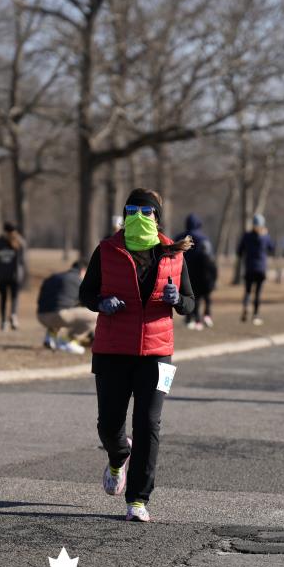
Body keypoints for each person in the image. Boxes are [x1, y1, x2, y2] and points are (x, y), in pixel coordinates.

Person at [79, 188, 195, 522]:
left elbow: (190, 302)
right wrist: (102, 303)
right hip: (112, 350)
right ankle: (118, 456)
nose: (139, 217)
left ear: (157, 218)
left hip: (157, 354)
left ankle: (138, 500)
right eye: (132, 211)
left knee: (148, 423)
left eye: (146, 212)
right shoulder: (107, 251)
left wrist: (177, 300)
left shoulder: (173, 254)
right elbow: (86, 293)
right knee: (109, 424)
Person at [36, 260, 96, 354]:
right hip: (59, 315)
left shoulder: (53, 277)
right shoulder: (77, 279)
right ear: (83, 270)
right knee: (95, 315)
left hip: (41, 315)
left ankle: (50, 337)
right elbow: (87, 303)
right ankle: (69, 341)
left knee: (60, 306)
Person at [176, 213, 218, 330]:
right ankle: (205, 315)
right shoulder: (204, 239)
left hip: (184, 272)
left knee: (189, 296)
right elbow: (210, 258)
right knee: (203, 296)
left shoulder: (180, 237)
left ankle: (191, 318)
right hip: (201, 273)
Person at [237, 214, 275, 326]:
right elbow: (272, 248)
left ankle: (245, 307)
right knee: (258, 293)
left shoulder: (247, 236)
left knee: (248, 291)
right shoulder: (265, 237)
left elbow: (239, 251)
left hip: (249, 267)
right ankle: (256, 315)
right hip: (261, 268)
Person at [0, 222, 27, 331]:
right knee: (4, 298)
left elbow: (22, 260)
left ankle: (13, 316)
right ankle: (4, 320)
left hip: (14, 275)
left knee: (14, 297)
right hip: (2, 275)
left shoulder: (19, 243)